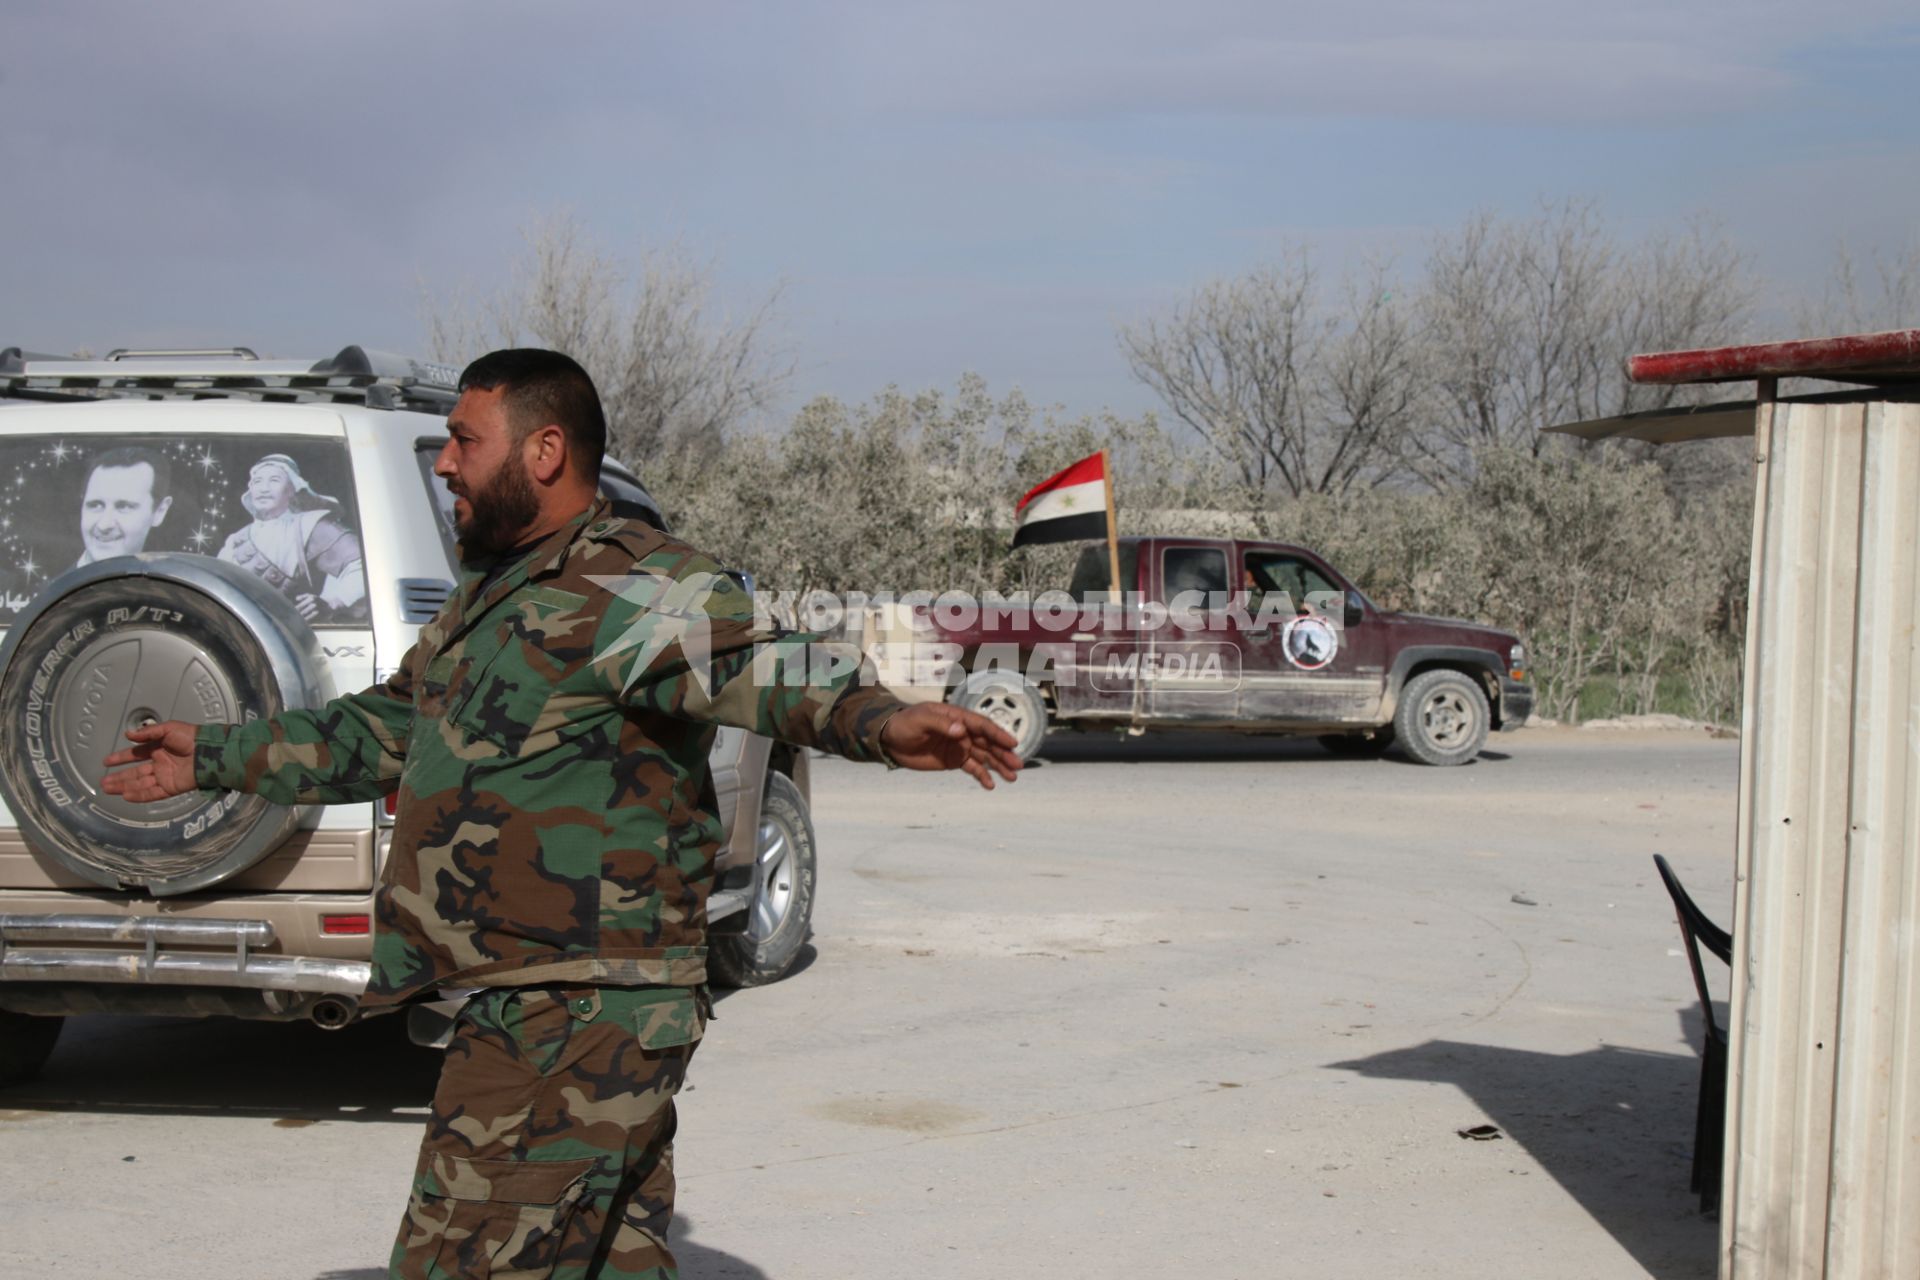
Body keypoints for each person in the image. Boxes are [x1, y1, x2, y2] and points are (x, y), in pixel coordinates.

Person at [102, 348, 1021, 1280]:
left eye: (465, 440)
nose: (446, 463)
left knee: (458, 1262)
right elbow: (389, 729)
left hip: (577, 1004)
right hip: (550, 997)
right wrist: (212, 757)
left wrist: (880, 720)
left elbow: (761, 667)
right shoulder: (494, 593)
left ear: (544, 451)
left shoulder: (636, 588)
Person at [216, 452, 367, 621]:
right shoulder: (236, 540)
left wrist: (333, 602)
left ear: (291, 489)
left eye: (274, 480)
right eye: (257, 481)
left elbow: (364, 567)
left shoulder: (311, 525)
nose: (264, 488)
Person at [76, 445, 174, 566]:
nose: (104, 525)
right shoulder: (52, 585)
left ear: (160, 511)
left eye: (124, 507)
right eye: (96, 505)